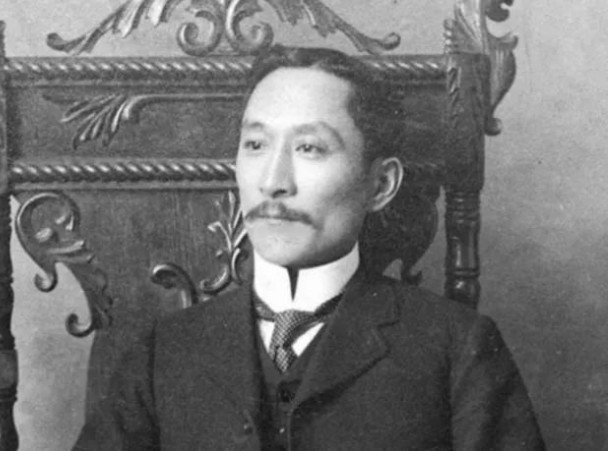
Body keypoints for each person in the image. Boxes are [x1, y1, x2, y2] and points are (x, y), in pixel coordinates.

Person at [74, 46, 544, 450]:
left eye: (310, 148)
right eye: (255, 145)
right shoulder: (163, 352)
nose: (273, 181)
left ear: (381, 184)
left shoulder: (458, 349)